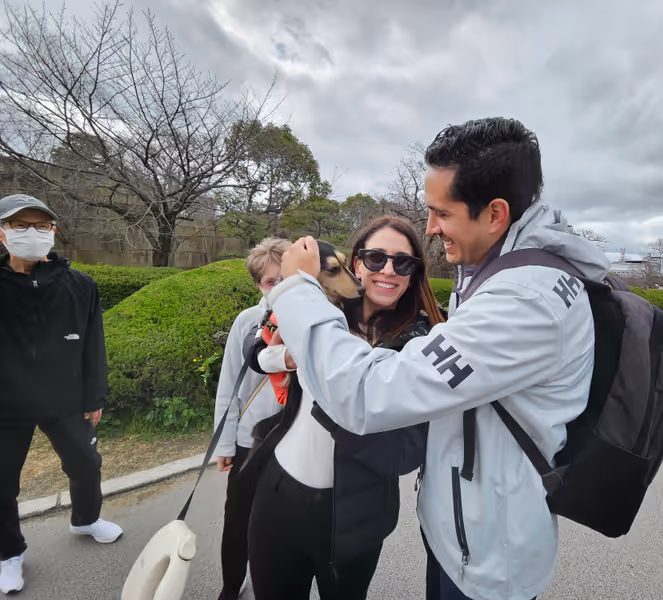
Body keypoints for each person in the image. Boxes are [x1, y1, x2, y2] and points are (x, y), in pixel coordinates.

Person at [268, 118, 609, 600]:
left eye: (441, 213)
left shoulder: (526, 301)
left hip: (487, 559)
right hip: (461, 529)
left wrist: (294, 287)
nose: (430, 228)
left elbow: (364, 393)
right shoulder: (495, 265)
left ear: (495, 213)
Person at [247, 216, 445, 600]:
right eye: (375, 258)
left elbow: (405, 449)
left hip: (355, 516)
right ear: (355, 264)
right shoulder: (319, 313)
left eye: (403, 262)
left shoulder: (423, 342)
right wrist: (290, 357)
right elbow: (254, 350)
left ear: (414, 274)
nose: (387, 270)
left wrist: (332, 383)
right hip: (277, 494)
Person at [0, 194, 122, 595]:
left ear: (54, 231)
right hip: (6, 405)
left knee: (86, 465)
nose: (31, 233)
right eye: (20, 225)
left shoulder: (80, 285)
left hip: (66, 399)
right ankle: (8, 554)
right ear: (3, 232)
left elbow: (94, 346)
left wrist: (95, 396)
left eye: (41, 225)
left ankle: (85, 519)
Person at [213, 238, 293, 600]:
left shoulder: (319, 320)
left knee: (283, 523)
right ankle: (231, 586)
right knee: (238, 521)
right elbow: (229, 384)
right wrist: (226, 442)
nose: (278, 287)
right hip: (250, 440)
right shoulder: (248, 321)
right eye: (269, 281)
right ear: (258, 285)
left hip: (295, 442)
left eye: (285, 277)